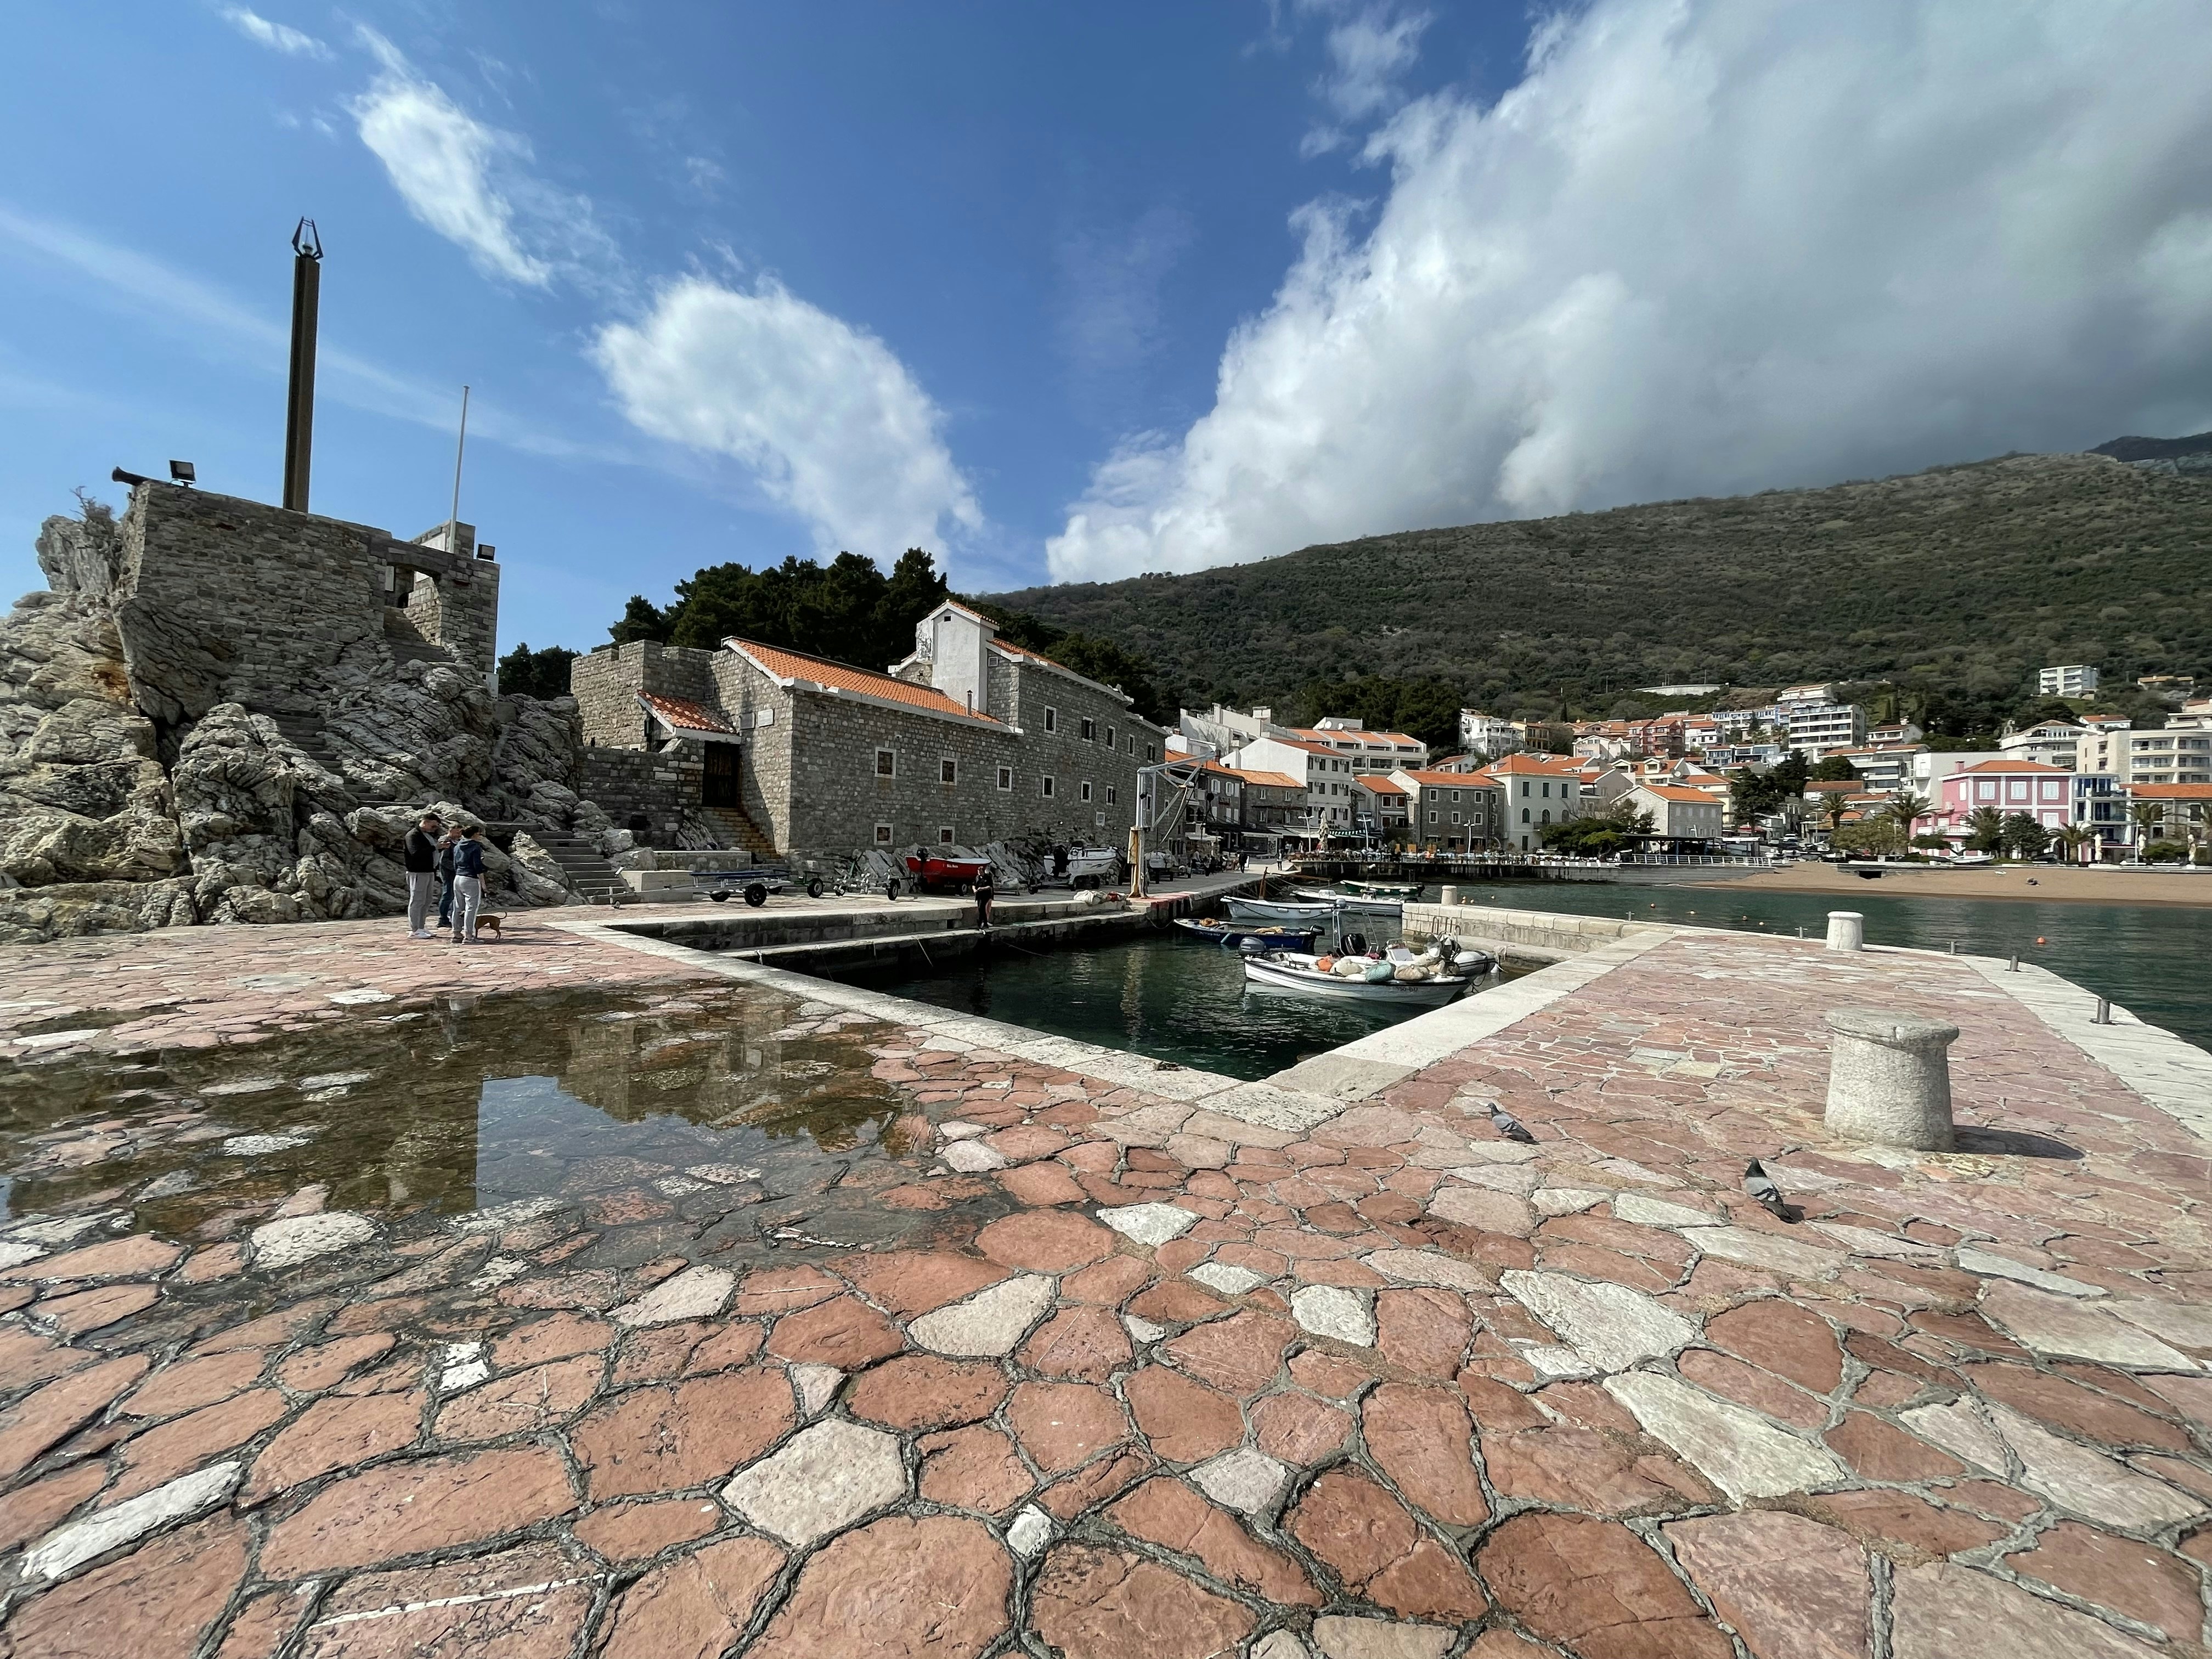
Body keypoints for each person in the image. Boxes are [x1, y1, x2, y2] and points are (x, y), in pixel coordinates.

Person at [403, 812, 442, 938]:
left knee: (426, 900)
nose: (434, 829)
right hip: (418, 872)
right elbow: (416, 853)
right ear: (425, 822)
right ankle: (415, 929)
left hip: (429, 871)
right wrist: (435, 847)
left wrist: (440, 848)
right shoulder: (413, 835)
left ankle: (421, 927)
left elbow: (430, 851)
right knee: (417, 900)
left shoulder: (426, 836)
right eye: (433, 826)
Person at [449, 825, 487, 943]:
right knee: (471, 908)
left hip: (458, 877)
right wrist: (483, 883)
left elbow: (455, 863)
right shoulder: (475, 847)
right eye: (479, 833)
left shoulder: (457, 846)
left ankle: (456, 933)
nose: (480, 836)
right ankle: (469, 936)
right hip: (471, 878)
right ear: (475, 834)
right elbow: (477, 866)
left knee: (457, 906)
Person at [435, 828, 459, 930]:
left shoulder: (457, 842)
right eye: (457, 832)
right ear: (451, 831)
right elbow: (444, 861)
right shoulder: (446, 842)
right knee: (448, 894)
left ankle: (454, 917)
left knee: (454, 895)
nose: (459, 834)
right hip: (448, 873)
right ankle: (443, 919)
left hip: (455, 873)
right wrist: (457, 868)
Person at [972, 861, 996, 930]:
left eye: (980, 871)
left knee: (981, 908)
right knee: (981, 909)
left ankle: (980, 923)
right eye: (978, 872)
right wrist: (974, 890)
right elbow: (974, 884)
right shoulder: (977, 877)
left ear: (983, 871)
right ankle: (985, 923)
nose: (979, 873)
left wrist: (982, 889)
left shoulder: (988, 878)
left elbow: (990, 886)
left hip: (986, 895)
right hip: (979, 896)